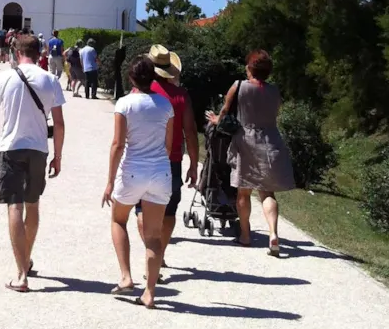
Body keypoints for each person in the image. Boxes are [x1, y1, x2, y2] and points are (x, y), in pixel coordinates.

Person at [0, 32, 65, 292]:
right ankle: (25, 260)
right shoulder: (50, 80)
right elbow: (59, 124)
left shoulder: (5, 78)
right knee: (33, 206)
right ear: (41, 53)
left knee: (14, 207)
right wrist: (58, 155)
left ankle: (21, 274)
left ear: (17, 53)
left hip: (11, 148)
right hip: (39, 149)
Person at [102, 54, 174, 308]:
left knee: (118, 220)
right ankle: (150, 293)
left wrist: (110, 182)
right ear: (153, 77)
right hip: (160, 172)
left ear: (131, 77)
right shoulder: (166, 106)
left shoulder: (124, 104)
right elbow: (168, 145)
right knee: (154, 236)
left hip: (132, 170)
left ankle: (125, 276)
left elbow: (118, 144)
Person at [208, 49, 295, 257]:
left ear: (250, 68)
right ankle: (273, 233)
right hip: (271, 141)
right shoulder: (274, 91)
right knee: (267, 192)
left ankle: (245, 236)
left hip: (246, 141)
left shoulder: (239, 86)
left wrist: (215, 121)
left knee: (243, 192)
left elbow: (224, 112)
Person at [136, 45, 199, 269]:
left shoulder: (138, 92)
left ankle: (150, 254)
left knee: (143, 209)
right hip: (170, 161)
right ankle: (159, 254)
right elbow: (190, 132)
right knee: (169, 210)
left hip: (142, 159)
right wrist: (193, 163)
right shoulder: (181, 96)